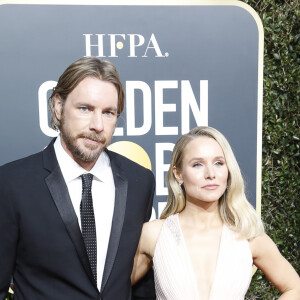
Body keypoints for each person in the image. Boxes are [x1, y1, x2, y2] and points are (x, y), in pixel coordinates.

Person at [0, 57, 156, 300]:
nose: (97, 125)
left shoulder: (140, 181)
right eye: (85, 109)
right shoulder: (12, 184)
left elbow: (141, 282)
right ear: (58, 106)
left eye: (108, 113)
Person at [131, 126, 300, 299]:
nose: (210, 174)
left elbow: (294, 288)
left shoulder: (248, 236)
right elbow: (111, 289)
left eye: (219, 163)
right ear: (178, 174)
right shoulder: (154, 235)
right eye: (197, 164)